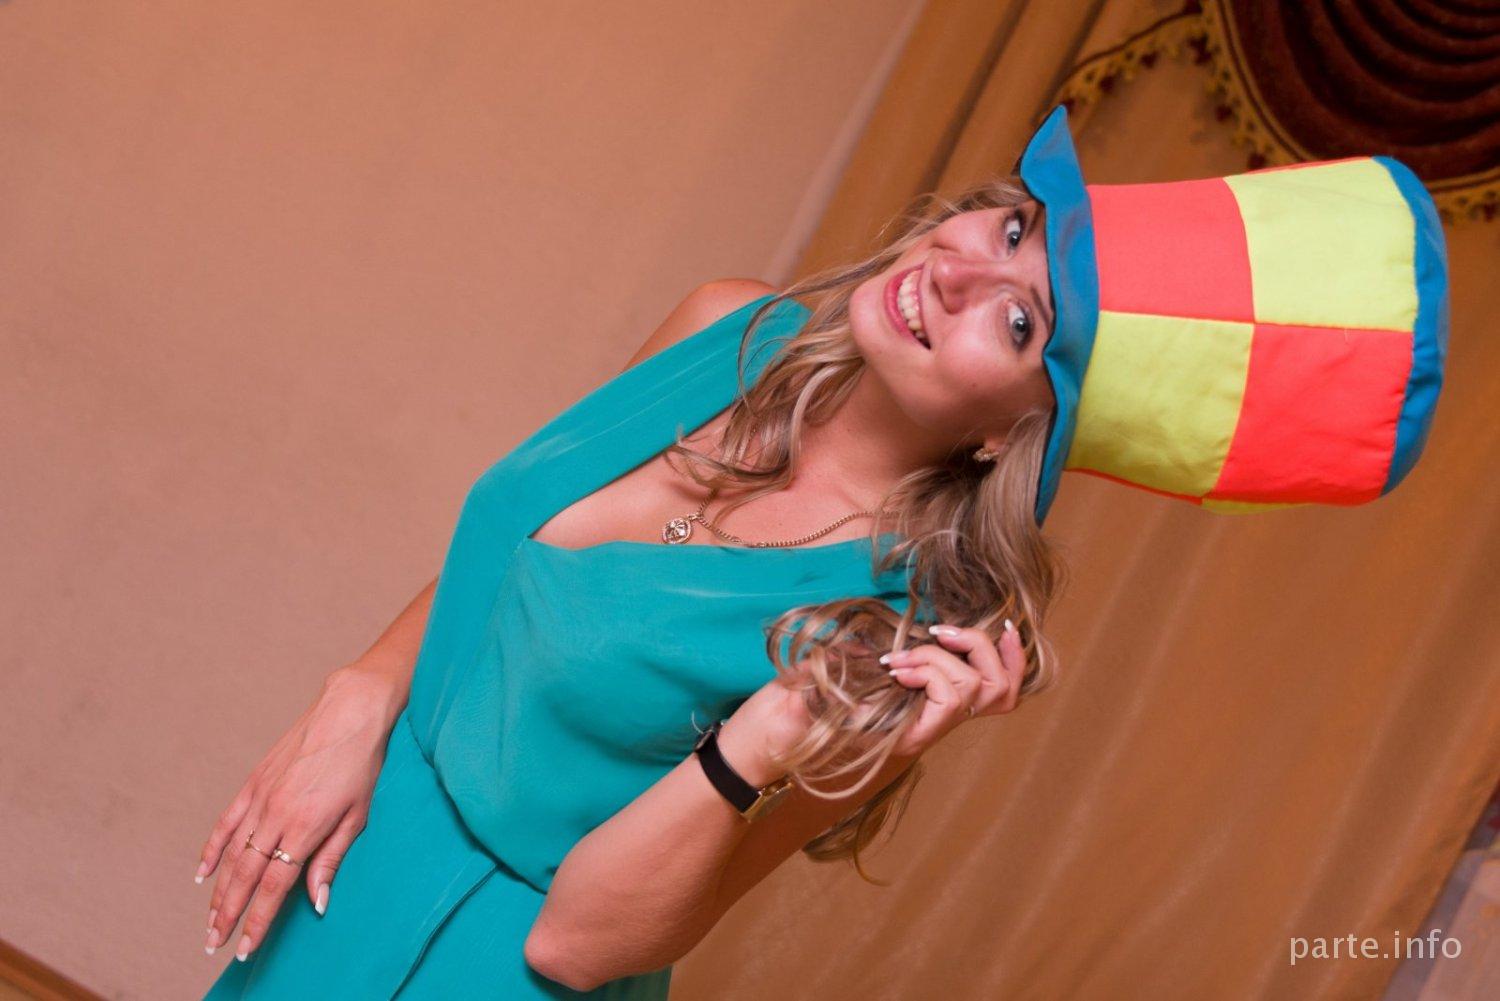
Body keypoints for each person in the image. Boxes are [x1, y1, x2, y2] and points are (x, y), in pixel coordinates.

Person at [196, 105, 1447, 998]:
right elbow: (510, 563)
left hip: (472, 962)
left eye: (1019, 321)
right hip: (338, 864)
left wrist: (783, 730)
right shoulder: (723, 327)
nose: (961, 268)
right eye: (1011, 226)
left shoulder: (895, 632)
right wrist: (362, 687)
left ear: (1019, 431)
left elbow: (580, 946)